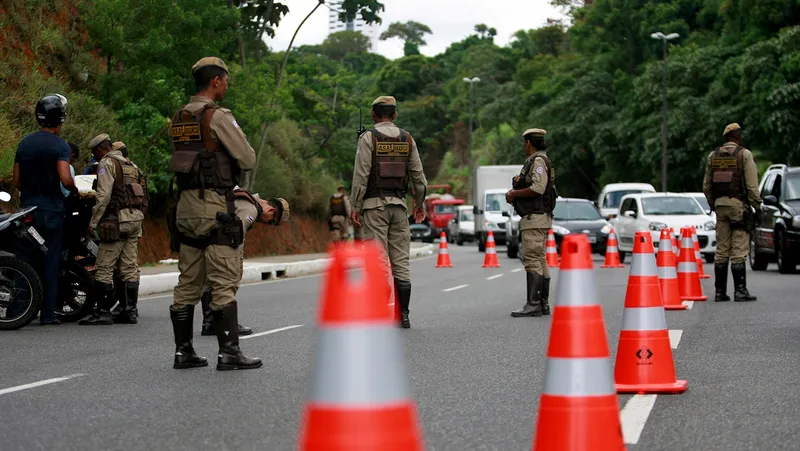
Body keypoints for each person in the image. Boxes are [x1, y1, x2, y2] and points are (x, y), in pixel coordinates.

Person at [167, 56, 262, 371]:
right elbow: (246, 157)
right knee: (222, 278)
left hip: (185, 208)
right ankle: (229, 353)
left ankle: (184, 352)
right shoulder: (217, 116)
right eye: (226, 79)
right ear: (216, 81)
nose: (227, 84)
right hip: (215, 207)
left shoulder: (179, 117)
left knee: (188, 280)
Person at [350, 95, 428, 329]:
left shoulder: (368, 138)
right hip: (400, 207)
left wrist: (355, 205)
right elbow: (419, 179)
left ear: (374, 114)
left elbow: (361, 175)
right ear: (394, 115)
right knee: (401, 262)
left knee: (378, 260)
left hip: (374, 208)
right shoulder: (408, 139)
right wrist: (419, 204)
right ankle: (403, 315)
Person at [12, 94, 78, 325]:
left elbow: (17, 180)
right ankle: (48, 315)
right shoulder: (60, 145)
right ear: (60, 119)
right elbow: (64, 177)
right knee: (50, 260)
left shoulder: (25, 143)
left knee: (25, 260)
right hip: (51, 211)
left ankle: (18, 310)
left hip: (27, 212)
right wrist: (74, 188)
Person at [79, 134, 148, 325]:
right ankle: (129, 310)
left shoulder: (107, 163)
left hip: (116, 221)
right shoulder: (131, 165)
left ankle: (103, 312)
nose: (95, 158)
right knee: (129, 267)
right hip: (135, 219)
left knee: (104, 266)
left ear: (100, 149)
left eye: (95, 153)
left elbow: (103, 196)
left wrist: (93, 223)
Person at [703, 123, 761, 302]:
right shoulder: (744, 155)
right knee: (738, 249)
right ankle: (740, 291)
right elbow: (751, 186)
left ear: (725, 139)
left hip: (720, 207)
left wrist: (714, 203)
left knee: (721, 250)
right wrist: (756, 206)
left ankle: (720, 292)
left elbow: (706, 186)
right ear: (739, 138)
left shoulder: (713, 156)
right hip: (738, 207)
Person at [507, 128, 557, 318]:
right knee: (540, 259)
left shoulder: (537, 161)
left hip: (534, 217)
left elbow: (538, 187)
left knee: (532, 259)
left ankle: (534, 303)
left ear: (529, 143)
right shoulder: (541, 160)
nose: (523, 146)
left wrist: (514, 194)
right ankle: (542, 304)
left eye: (524, 143)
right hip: (539, 218)